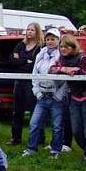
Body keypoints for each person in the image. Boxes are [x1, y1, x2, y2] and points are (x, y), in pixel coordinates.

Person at [51, 35, 86, 163]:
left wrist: (75, 70)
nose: (62, 49)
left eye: (66, 46)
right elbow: (51, 69)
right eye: (61, 46)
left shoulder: (83, 58)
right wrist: (65, 69)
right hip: (74, 97)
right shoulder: (61, 59)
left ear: (73, 47)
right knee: (77, 130)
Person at [23, 28, 67, 159]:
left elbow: (66, 79)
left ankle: (55, 150)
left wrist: (59, 95)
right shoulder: (40, 54)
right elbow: (34, 74)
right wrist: (37, 92)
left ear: (58, 40)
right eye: (47, 39)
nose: (50, 41)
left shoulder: (62, 55)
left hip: (56, 96)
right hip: (42, 95)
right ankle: (31, 148)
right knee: (34, 123)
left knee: (57, 125)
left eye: (53, 39)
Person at [8, 23, 43, 145]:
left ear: (37, 32)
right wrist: (24, 61)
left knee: (35, 110)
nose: (29, 32)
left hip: (31, 82)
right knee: (17, 111)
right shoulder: (21, 45)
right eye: (28, 29)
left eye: (32, 30)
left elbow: (33, 66)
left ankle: (39, 139)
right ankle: (15, 138)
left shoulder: (40, 47)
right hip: (19, 81)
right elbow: (12, 61)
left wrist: (21, 62)